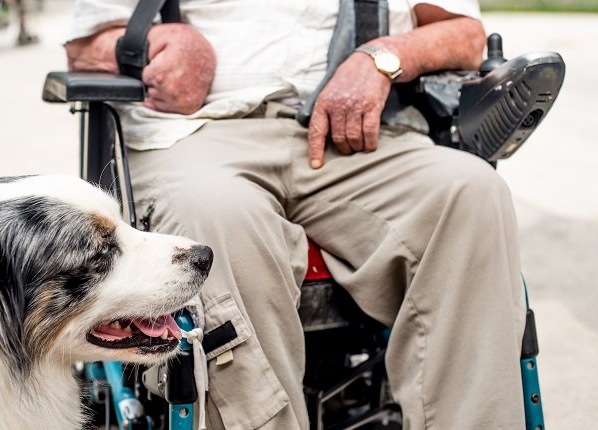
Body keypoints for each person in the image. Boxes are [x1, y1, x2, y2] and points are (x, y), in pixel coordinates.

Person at [65, 1, 527, 429]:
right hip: (196, 133)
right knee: (219, 216)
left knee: (471, 192)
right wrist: (153, 45)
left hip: (358, 135)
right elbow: (85, 47)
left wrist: (383, 56)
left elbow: (467, 35)